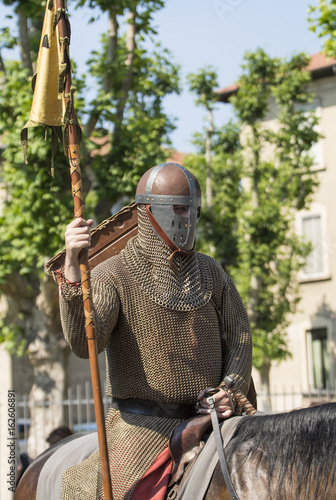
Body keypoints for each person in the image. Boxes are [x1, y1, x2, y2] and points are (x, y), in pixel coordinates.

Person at [59, 162, 253, 500]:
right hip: (142, 429)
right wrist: (74, 267)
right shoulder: (113, 273)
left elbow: (240, 337)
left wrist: (230, 389)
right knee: (104, 493)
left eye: (193, 210)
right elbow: (82, 342)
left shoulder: (211, 272)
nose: (187, 219)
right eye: (178, 209)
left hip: (214, 417)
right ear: (148, 211)